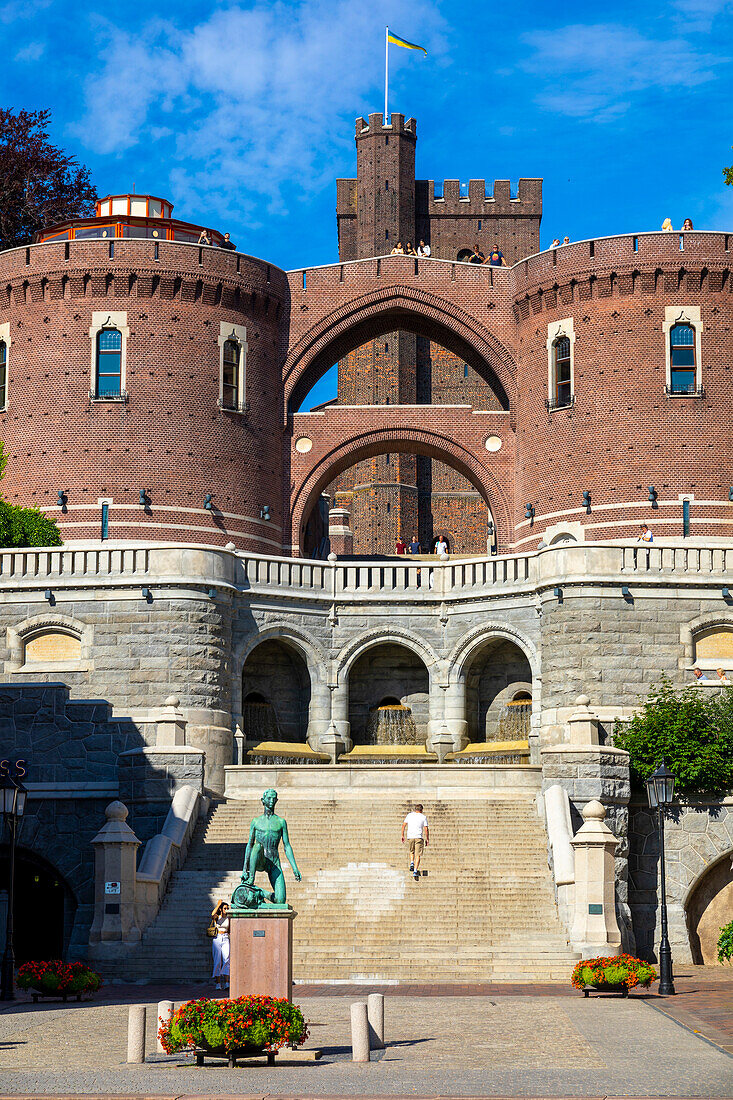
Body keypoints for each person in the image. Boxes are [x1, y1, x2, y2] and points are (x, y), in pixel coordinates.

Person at [401, 803, 429, 881]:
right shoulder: (423, 817)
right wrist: (427, 839)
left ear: (415, 809)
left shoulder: (409, 815)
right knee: (418, 855)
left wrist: (402, 835)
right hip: (418, 837)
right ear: (421, 810)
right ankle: (415, 870)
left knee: (411, 851)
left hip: (410, 836)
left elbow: (403, 825)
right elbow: (426, 828)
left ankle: (412, 862)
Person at [211, 900, 230, 991]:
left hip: (226, 938)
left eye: (227, 908)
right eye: (225, 908)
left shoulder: (229, 918)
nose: (226, 910)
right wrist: (218, 905)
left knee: (227, 959)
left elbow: (230, 929)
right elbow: (212, 914)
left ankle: (226, 982)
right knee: (217, 961)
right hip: (217, 938)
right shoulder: (217, 917)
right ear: (221, 909)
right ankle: (218, 983)